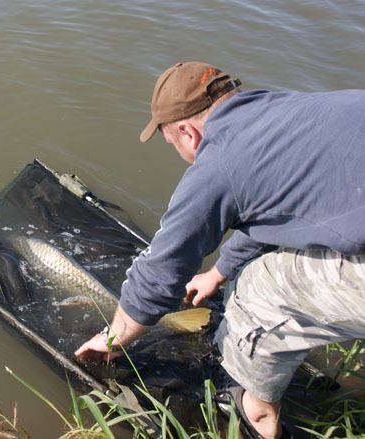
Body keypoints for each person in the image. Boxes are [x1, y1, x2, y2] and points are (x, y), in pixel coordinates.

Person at [75, 61, 365, 439]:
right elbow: (280, 208)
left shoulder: (219, 163)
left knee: (258, 290)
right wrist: (218, 271)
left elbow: (162, 272)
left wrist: (114, 339)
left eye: (172, 144)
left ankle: (255, 416)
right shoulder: (289, 111)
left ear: (187, 132)